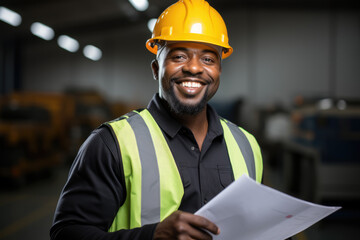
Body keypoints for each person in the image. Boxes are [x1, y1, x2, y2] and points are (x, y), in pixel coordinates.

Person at [50, 0, 264, 239]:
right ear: (155, 68)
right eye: (179, 56)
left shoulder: (247, 145)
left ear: (219, 71)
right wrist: (152, 236)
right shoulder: (112, 144)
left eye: (208, 59)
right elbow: (67, 233)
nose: (194, 68)